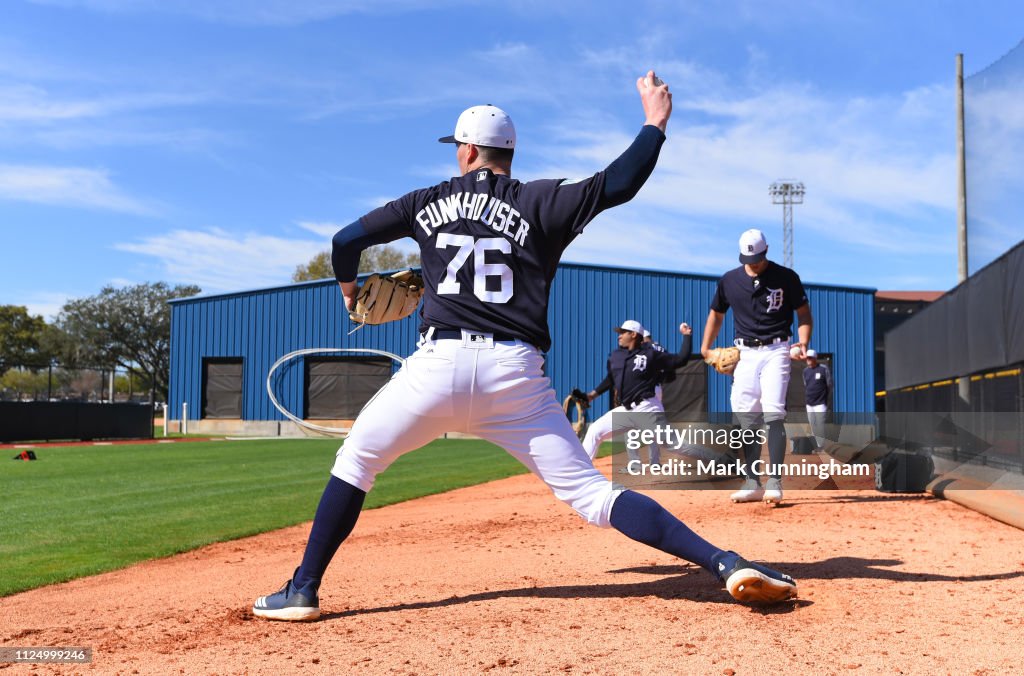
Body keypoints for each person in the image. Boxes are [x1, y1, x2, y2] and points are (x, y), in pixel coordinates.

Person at [252, 72, 796, 622]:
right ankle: (723, 561)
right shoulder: (542, 200)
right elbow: (620, 183)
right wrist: (655, 122)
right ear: (507, 153)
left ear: (466, 150)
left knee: (357, 462)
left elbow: (344, 242)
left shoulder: (426, 201)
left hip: (436, 367)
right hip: (515, 375)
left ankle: (303, 589)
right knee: (592, 496)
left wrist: (350, 291)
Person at [699, 229, 813, 505]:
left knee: (773, 412)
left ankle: (774, 481)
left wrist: (802, 342)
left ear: (767, 251)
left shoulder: (786, 277)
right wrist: (705, 347)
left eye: (758, 257)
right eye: (749, 258)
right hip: (745, 353)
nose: (754, 263)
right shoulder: (729, 280)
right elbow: (717, 313)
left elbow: (803, 313)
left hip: (777, 349)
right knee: (745, 417)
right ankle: (752, 481)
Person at [582, 320, 723, 470]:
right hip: (627, 410)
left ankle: (723, 461)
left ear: (634, 334)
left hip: (647, 408)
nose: (619, 336)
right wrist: (592, 394)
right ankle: (581, 472)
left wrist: (687, 336)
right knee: (594, 431)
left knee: (676, 445)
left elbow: (681, 359)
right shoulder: (619, 357)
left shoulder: (651, 355)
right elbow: (610, 379)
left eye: (623, 332)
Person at [802, 349, 832, 448]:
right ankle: (816, 444)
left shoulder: (823, 369)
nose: (808, 360)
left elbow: (829, 385)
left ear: (815, 358)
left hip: (820, 403)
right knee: (813, 425)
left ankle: (821, 445)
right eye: (807, 358)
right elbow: (806, 385)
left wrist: (827, 401)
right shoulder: (805, 371)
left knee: (820, 425)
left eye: (810, 358)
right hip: (809, 403)